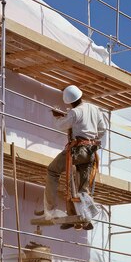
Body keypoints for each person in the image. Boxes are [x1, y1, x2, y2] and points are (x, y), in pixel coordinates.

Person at [37, 85, 106, 229]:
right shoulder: (94, 109)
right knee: (82, 188)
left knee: (53, 171)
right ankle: (83, 218)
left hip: (77, 150)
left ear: (69, 101)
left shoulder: (75, 112)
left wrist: (57, 117)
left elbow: (62, 125)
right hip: (91, 152)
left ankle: (50, 210)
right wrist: (92, 137)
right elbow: (102, 130)